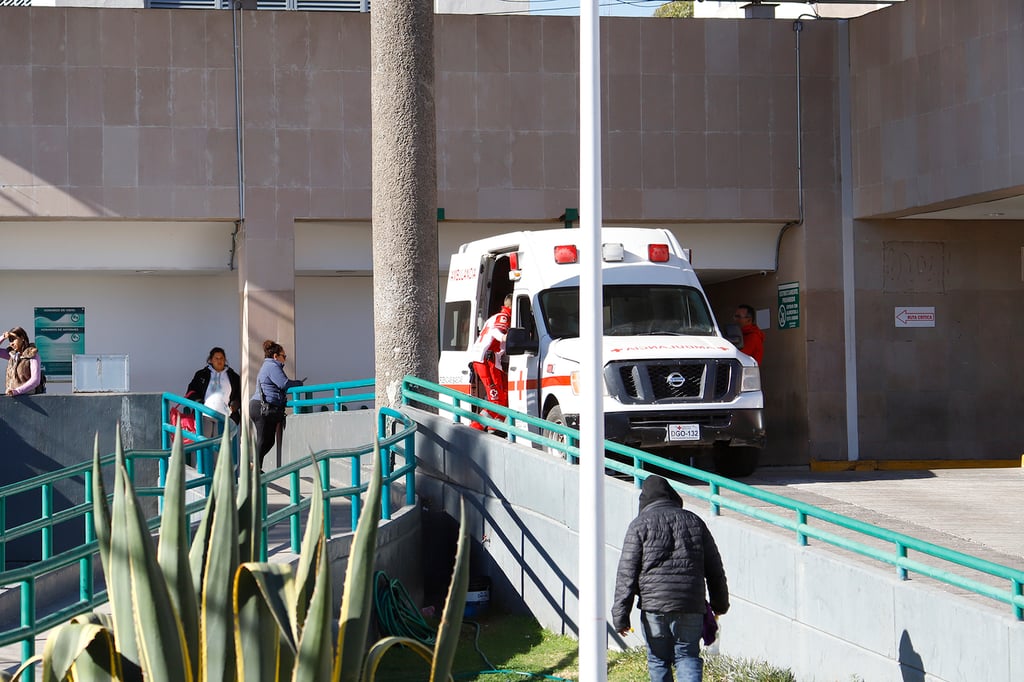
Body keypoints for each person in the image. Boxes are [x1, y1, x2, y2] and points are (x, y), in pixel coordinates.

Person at [612, 475, 729, 682]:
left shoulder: (639, 525)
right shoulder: (694, 521)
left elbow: (626, 573)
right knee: (687, 656)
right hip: (690, 604)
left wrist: (621, 616)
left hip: (653, 606)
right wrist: (720, 604)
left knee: (658, 659)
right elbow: (714, 567)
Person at [249, 340, 303, 468]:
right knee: (263, 439)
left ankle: (256, 467)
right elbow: (283, 384)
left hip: (262, 407)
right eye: (283, 356)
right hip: (262, 407)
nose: (284, 359)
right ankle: (253, 466)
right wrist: (298, 383)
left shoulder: (269, 366)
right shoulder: (272, 366)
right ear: (275, 356)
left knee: (269, 441)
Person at [469, 294, 512, 431]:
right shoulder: (504, 317)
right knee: (496, 399)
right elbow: (495, 332)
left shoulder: (495, 316)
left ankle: (496, 427)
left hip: (490, 360)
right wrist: (506, 337)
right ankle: (475, 427)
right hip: (487, 361)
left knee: (503, 395)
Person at [186, 346, 242, 433]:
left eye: (221, 358)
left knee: (222, 445)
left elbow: (239, 395)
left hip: (225, 417)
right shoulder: (201, 375)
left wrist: (234, 406)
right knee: (205, 443)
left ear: (225, 360)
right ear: (211, 360)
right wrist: (199, 403)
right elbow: (191, 391)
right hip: (205, 415)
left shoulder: (233, 377)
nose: (219, 361)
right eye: (216, 358)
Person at [1, 327, 46, 396]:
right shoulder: (12, 355)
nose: (11, 343)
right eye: (10, 340)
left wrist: (16, 391)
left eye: (13, 339)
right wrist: (3, 337)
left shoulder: (33, 355)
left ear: (22, 338)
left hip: (30, 399)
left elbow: (35, 380)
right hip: (13, 398)